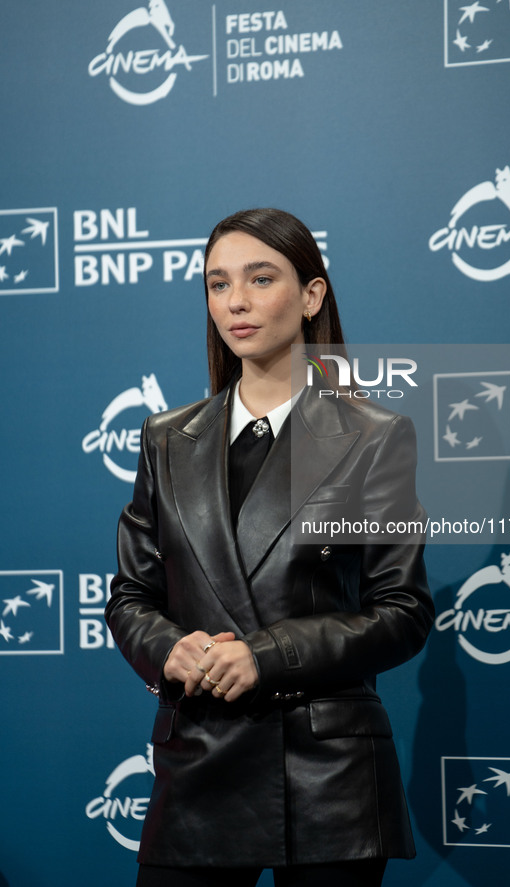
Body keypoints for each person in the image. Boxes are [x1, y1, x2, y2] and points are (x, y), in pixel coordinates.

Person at [105, 208, 434, 887]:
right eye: (217, 283)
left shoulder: (373, 435)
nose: (237, 301)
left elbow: (401, 611)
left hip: (325, 776)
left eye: (260, 278)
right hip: (197, 761)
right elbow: (131, 595)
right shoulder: (166, 438)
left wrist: (266, 654)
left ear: (311, 296)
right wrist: (170, 648)